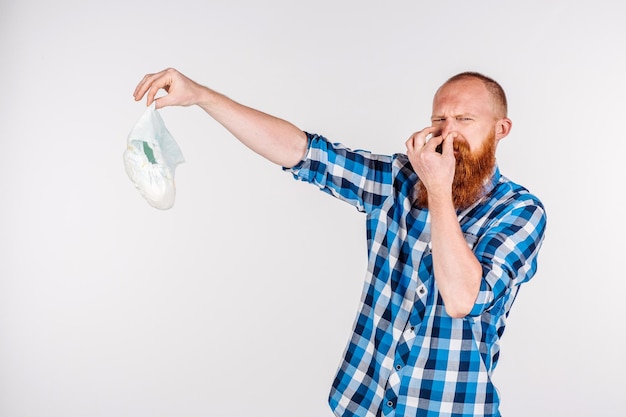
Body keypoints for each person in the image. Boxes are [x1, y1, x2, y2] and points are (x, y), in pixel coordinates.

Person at [133, 68, 547, 417]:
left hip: (448, 407)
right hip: (362, 402)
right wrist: (202, 96)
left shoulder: (521, 212)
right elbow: (304, 153)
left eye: (465, 120)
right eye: (439, 120)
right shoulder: (401, 180)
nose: (447, 133)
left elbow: (462, 299)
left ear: (501, 129)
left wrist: (438, 190)